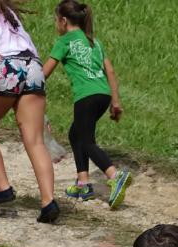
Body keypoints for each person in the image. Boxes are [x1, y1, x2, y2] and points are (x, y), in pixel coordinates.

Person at [0, 0, 59, 222]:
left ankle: (3, 188)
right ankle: (48, 202)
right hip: (33, 66)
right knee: (35, 140)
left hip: (7, 66)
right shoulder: (5, 9)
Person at [43, 1, 132, 209]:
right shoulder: (95, 42)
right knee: (76, 134)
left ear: (63, 21)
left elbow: (45, 71)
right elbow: (109, 71)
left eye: (57, 20)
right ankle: (83, 183)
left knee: (86, 140)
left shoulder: (64, 42)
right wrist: (116, 102)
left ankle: (114, 175)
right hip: (102, 95)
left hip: (85, 96)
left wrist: (30, 86)